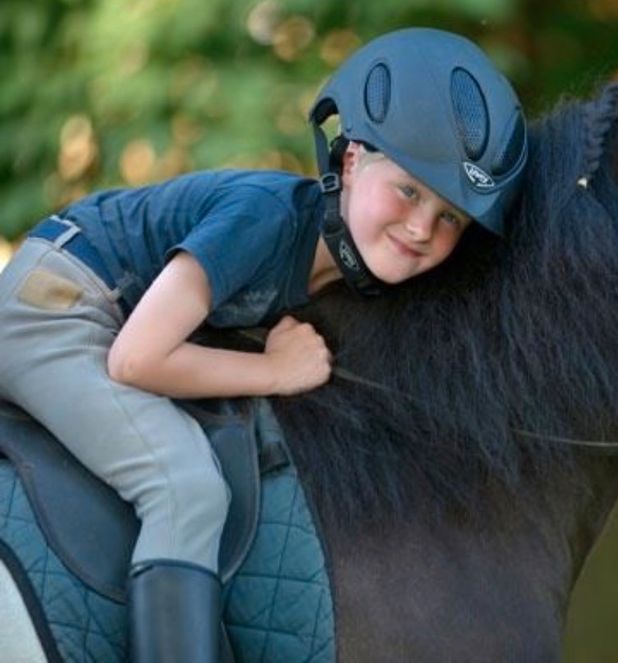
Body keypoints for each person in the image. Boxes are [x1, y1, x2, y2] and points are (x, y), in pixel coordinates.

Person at [0, 27, 527, 662]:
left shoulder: (335, 264)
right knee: (183, 484)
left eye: (451, 218)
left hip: (102, 310)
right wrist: (276, 372)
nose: (421, 227)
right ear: (352, 160)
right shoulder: (265, 217)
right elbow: (137, 358)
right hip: (57, 306)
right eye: (410, 189)